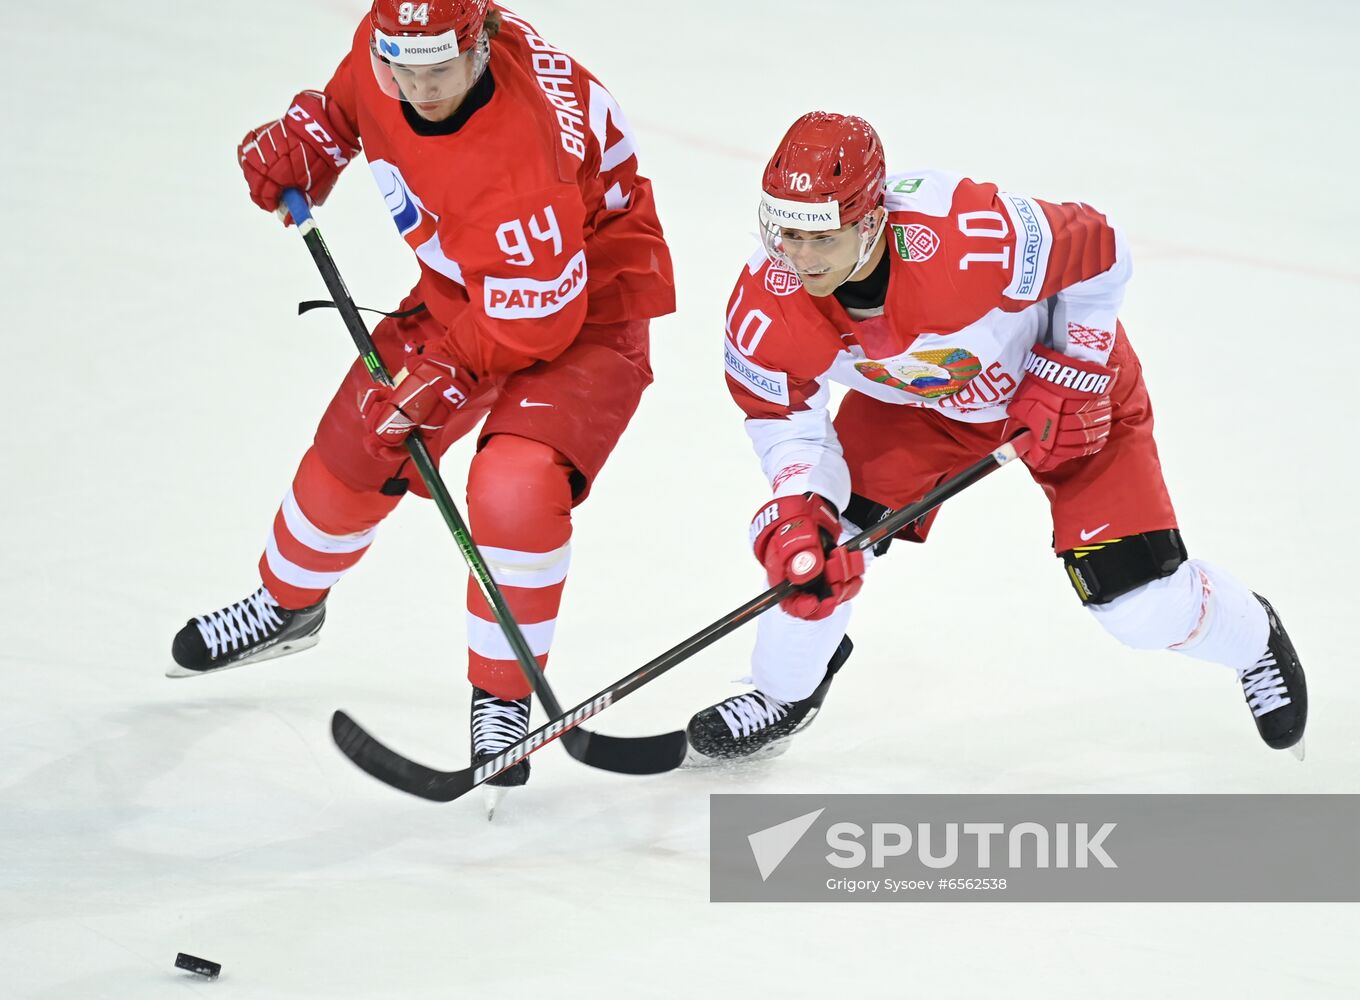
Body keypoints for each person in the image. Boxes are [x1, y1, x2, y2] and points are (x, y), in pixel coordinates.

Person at [685, 111, 1305, 763]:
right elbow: (784, 420)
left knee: (1136, 603)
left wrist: (1072, 369)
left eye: (823, 238)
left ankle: (1251, 635)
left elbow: (1101, 248)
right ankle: (784, 690)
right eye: (787, 233)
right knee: (817, 546)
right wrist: (800, 503)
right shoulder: (764, 306)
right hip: (920, 408)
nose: (802, 258)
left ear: (871, 221)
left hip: (1065, 398)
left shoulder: (967, 235)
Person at [169, 0, 675, 792]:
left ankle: (503, 699)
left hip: (587, 309)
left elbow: (541, 317)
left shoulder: (525, 154)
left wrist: (449, 370)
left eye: (438, 69)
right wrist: (313, 139)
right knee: (355, 449)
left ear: (480, 46)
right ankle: (286, 604)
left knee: (514, 484)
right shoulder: (394, 46)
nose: (417, 87)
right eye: (399, 66)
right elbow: (350, 103)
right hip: (470, 286)